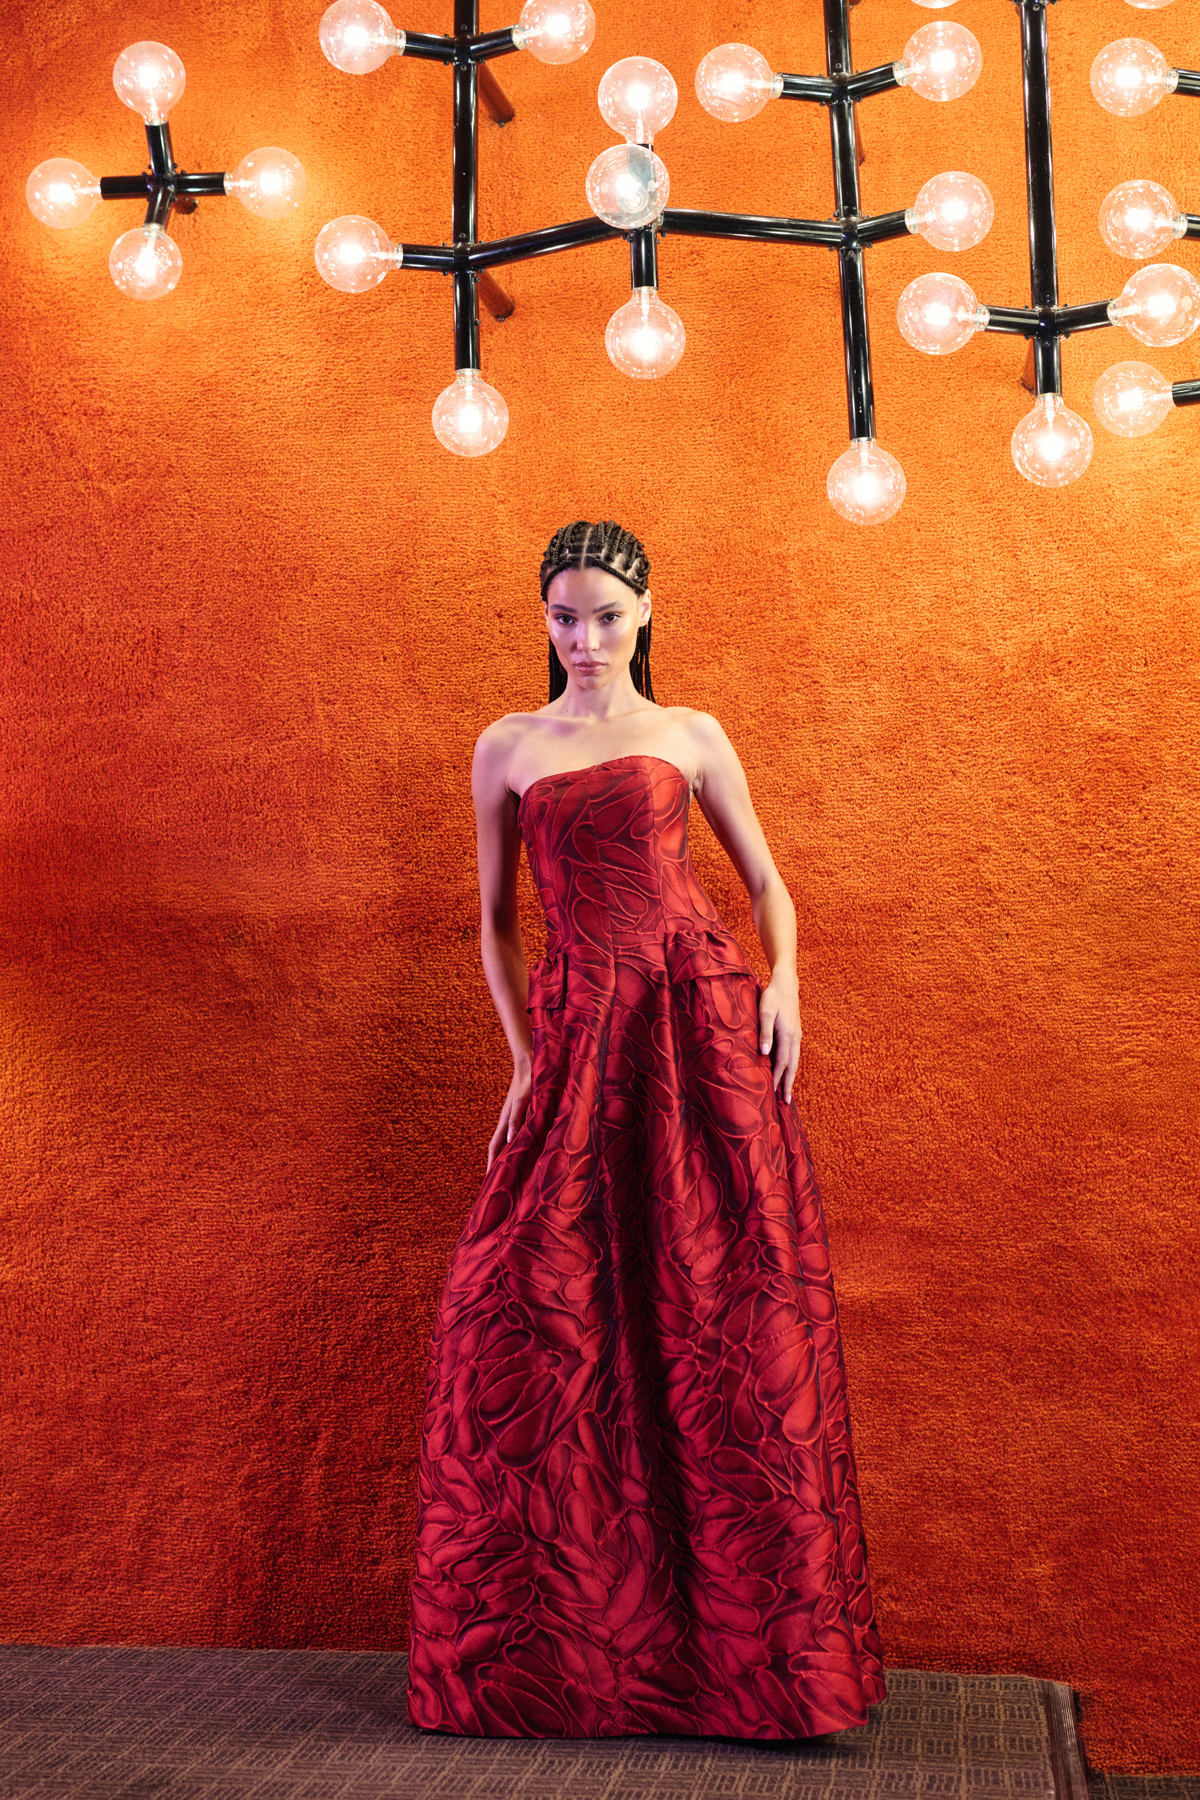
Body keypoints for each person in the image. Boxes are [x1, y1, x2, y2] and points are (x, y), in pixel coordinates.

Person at [407, 519, 886, 1739]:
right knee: (526, 1305)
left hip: (698, 1021)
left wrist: (785, 983)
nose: (586, 639)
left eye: (608, 616)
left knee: (724, 1307)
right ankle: (566, 1658)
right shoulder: (508, 746)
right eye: (566, 617)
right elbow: (495, 923)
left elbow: (767, 884)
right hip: (581, 1032)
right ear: (544, 618)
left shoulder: (692, 733)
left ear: (646, 612)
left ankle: (762, 1669)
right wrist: (525, 1056)